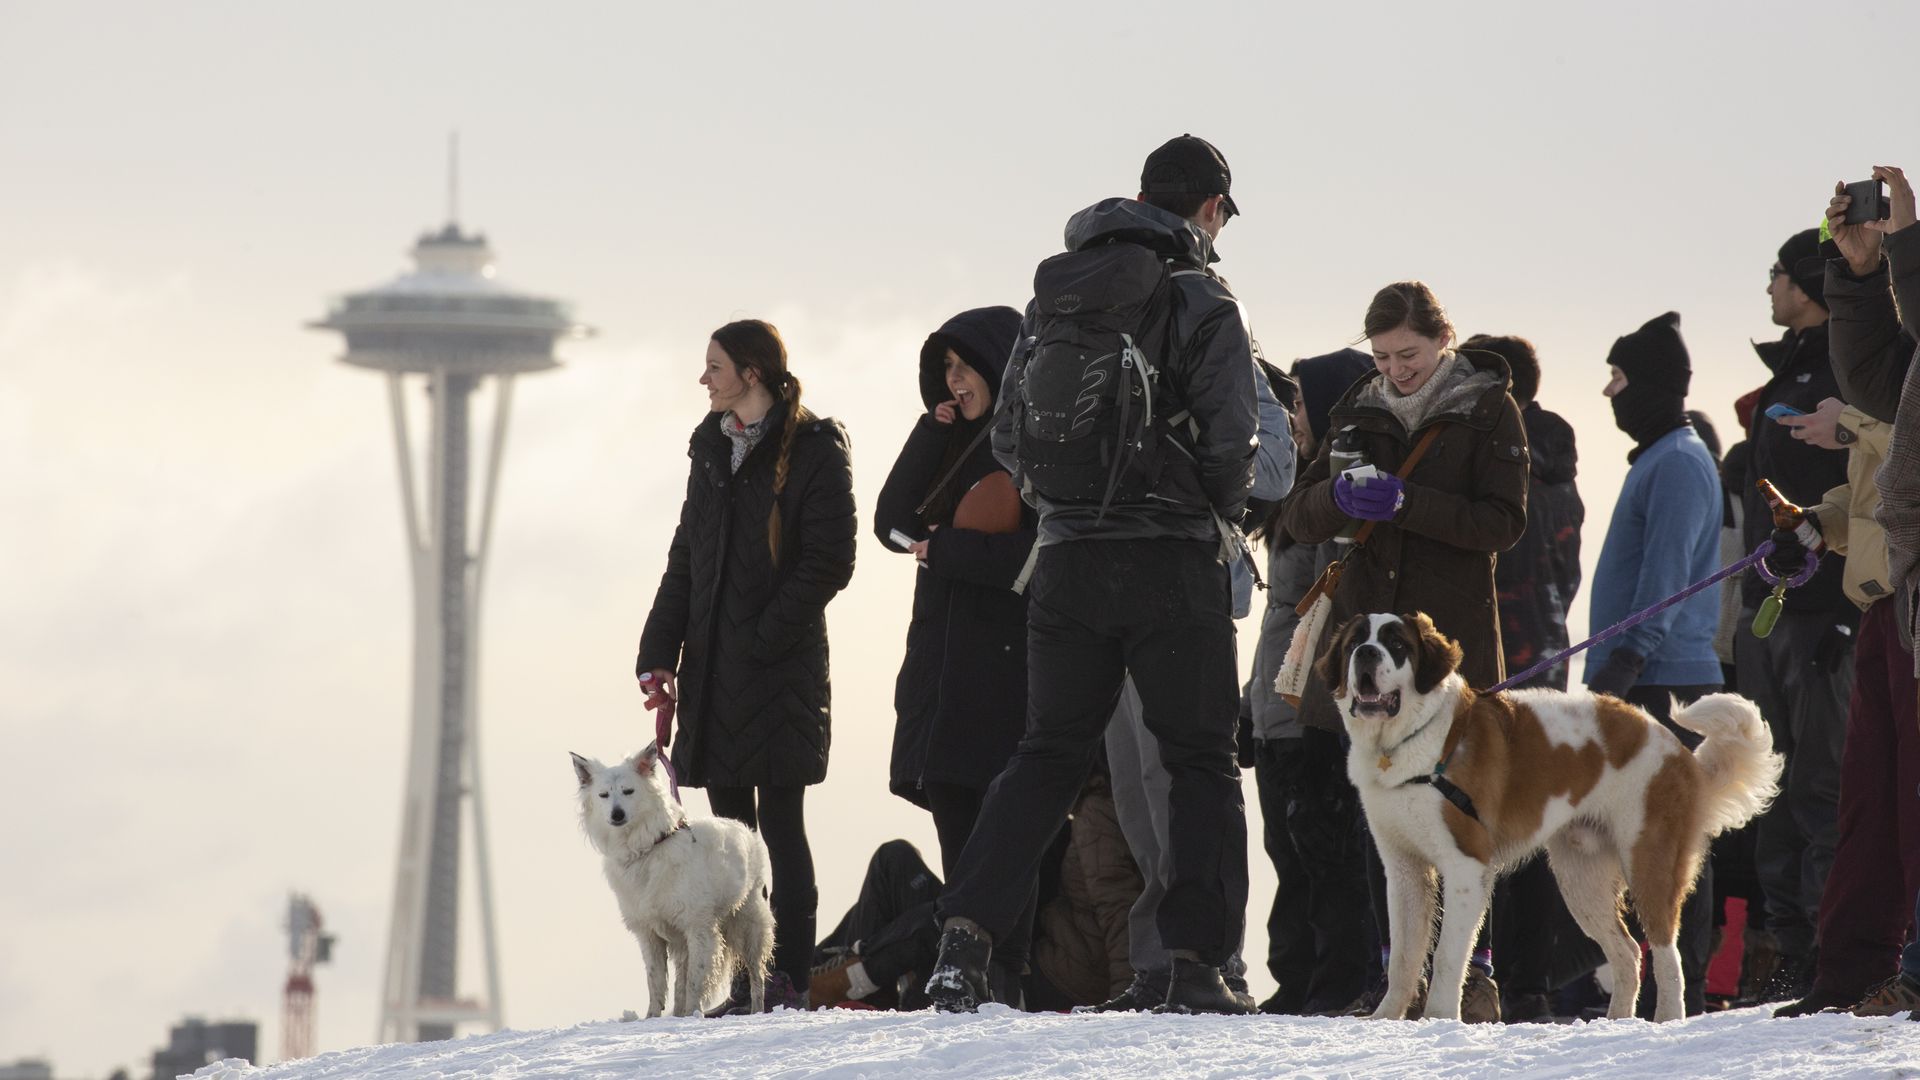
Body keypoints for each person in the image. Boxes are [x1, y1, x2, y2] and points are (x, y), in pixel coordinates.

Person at [923, 134, 1260, 1015]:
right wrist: (1208, 509)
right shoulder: (1203, 296)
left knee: (1045, 756)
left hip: (1067, 565)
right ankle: (1196, 963)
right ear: (1211, 210)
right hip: (1171, 563)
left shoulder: (1057, 291)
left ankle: (963, 945)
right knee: (1199, 763)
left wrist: (1067, 510)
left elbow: (1007, 439)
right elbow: (1231, 443)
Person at [1276, 282, 1530, 1023]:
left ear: (1441, 340)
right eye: (1383, 356)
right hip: (1366, 645)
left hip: (1446, 652)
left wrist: (1405, 502)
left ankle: (1475, 974)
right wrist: (1341, 501)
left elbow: (1504, 522)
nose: (1396, 370)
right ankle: (1400, 979)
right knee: (1384, 813)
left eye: (1410, 355)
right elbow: (1298, 509)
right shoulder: (1358, 404)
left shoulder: (1488, 408)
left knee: (1462, 811)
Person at [635, 319, 858, 1010]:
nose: (704, 379)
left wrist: (762, 637)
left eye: (715, 367)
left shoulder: (816, 450)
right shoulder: (710, 450)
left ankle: (786, 976)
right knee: (728, 835)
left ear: (752, 374)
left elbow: (831, 561)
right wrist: (657, 652)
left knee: (780, 827)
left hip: (779, 671)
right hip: (713, 671)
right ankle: (744, 982)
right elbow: (687, 559)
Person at [1095, 352, 1295, 1012]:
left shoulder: (1216, 329)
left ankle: (1211, 960)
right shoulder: (1085, 335)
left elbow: (1274, 465)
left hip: (1189, 593)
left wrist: (1175, 454)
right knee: (1134, 794)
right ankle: (1158, 964)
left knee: (1181, 784)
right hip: (1096, 596)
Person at [1775, 166, 1920, 1016]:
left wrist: (1902, 252)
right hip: (1892, 594)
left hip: (1898, 589)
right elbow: (1879, 381)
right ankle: (1853, 974)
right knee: (1868, 799)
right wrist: (1863, 273)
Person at [872, 304, 1035, 1002]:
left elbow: (1029, 556)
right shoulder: (946, 442)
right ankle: (971, 973)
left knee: (1000, 831)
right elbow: (891, 521)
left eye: (965, 367)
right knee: (953, 818)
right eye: (945, 369)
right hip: (939, 675)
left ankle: (1006, 974)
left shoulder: (1030, 447)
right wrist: (925, 429)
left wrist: (948, 549)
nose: (955, 380)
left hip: (997, 672)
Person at [1584, 312, 1724, 1016]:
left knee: (1668, 844)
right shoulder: (1663, 458)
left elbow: (1667, 578)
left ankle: (1685, 993)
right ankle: (1637, 988)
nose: (1610, 392)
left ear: (1653, 386)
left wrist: (1623, 662)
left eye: (1619, 377)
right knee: (1627, 839)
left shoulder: (1677, 463)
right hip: (1646, 674)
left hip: (1664, 681)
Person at [1736, 227, 1856, 1004]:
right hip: (1769, 611)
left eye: (1776, 274)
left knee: (1818, 787)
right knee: (1766, 790)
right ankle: (1784, 951)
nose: (1768, 288)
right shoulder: (1792, 366)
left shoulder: (1856, 365)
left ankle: (1829, 952)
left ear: (1807, 283)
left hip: (1824, 615)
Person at [1464, 333, 1591, 1022]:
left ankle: (1472, 973)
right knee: (1533, 830)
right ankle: (1528, 983)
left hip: (1492, 663)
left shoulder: (1492, 465)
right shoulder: (1562, 470)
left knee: (1471, 819)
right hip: (1549, 659)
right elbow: (1565, 576)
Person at [1246, 348, 1376, 1015]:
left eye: (1299, 401)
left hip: (1312, 712)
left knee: (1324, 853)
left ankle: (1334, 983)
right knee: (1288, 852)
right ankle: (1296, 979)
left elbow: (1331, 607)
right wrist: (1252, 706)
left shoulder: (1338, 490)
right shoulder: (1295, 486)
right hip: (1277, 709)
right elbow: (1277, 621)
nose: (1292, 415)